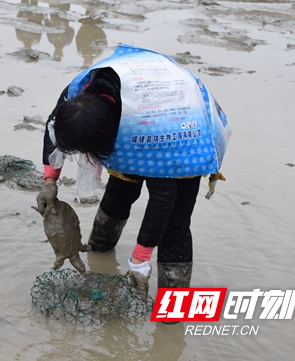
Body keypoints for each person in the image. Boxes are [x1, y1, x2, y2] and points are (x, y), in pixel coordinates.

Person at [36, 45, 231, 305]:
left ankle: (173, 311)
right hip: (134, 103)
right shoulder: (78, 95)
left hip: (182, 127)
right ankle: (100, 249)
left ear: (113, 139)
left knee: (175, 224)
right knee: (121, 189)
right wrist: (50, 181)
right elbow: (54, 130)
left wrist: (140, 259)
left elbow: (163, 199)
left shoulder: (155, 133)